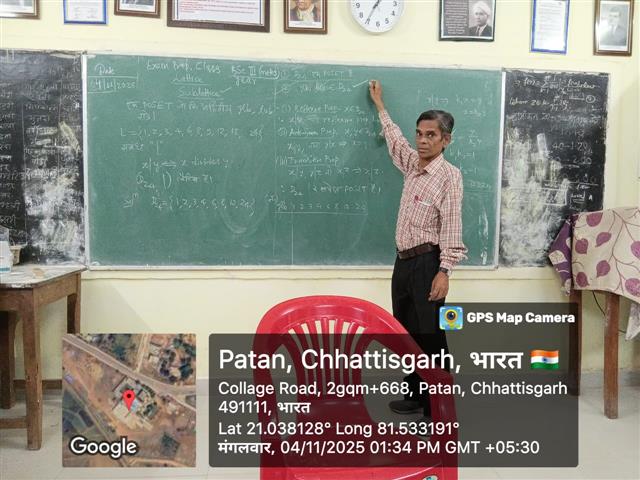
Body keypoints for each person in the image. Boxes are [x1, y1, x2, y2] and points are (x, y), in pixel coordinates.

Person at [369, 80, 467, 426]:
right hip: (403, 262)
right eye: (420, 133)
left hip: (428, 263)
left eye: (431, 135)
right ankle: (415, 395)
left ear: (445, 140)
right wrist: (380, 106)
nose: (422, 140)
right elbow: (395, 140)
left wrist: (445, 271)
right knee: (407, 334)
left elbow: (452, 225)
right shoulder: (413, 165)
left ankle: (438, 408)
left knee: (432, 336)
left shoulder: (449, 177)